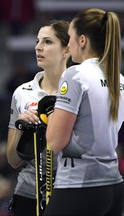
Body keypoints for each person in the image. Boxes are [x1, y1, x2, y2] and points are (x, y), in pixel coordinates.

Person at [38, 8, 124, 215]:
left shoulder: (76, 74)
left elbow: (55, 142)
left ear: (82, 40)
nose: (68, 45)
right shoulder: (119, 79)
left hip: (80, 186)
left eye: (70, 38)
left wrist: (51, 116)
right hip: (114, 186)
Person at [6, 19, 70, 216]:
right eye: (37, 41)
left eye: (48, 42)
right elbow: (13, 160)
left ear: (67, 50)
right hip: (28, 193)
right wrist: (21, 128)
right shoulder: (22, 92)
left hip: (70, 193)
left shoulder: (82, 89)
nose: (38, 47)